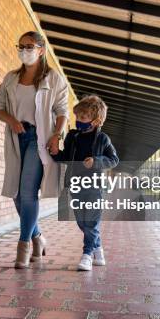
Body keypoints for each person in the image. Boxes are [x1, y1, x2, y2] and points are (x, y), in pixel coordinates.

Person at [0, 31, 69, 268]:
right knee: (17, 194)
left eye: (30, 46)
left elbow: (62, 111)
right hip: (18, 138)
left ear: (41, 50)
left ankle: (23, 244)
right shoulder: (11, 78)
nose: (24, 50)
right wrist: (11, 120)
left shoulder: (53, 79)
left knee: (27, 191)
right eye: (21, 46)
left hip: (40, 139)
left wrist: (57, 135)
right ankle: (38, 238)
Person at [50, 95, 119, 271]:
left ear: (96, 121)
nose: (78, 121)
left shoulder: (103, 139)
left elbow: (114, 160)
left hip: (94, 187)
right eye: (77, 117)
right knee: (82, 222)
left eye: (83, 117)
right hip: (76, 185)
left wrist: (96, 161)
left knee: (91, 222)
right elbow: (65, 158)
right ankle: (98, 249)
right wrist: (55, 152)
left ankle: (87, 255)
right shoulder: (72, 137)